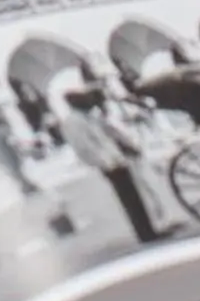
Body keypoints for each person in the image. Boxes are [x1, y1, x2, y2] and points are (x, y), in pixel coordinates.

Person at [58, 84, 159, 244]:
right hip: (110, 164)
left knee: (134, 197)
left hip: (117, 160)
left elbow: (111, 132)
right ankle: (145, 233)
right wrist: (105, 162)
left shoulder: (91, 116)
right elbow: (84, 147)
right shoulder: (73, 122)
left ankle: (148, 229)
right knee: (128, 198)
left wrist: (128, 145)